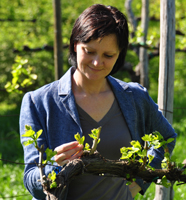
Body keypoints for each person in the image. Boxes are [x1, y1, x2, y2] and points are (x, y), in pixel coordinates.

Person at [20, 4, 177, 200]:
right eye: (89, 51)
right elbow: (30, 181)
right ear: (75, 45)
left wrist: (138, 184)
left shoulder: (135, 97)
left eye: (108, 55)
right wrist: (52, 165)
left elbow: (167, 137)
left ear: (120, 54)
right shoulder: (38, 102)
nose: (97, 62)